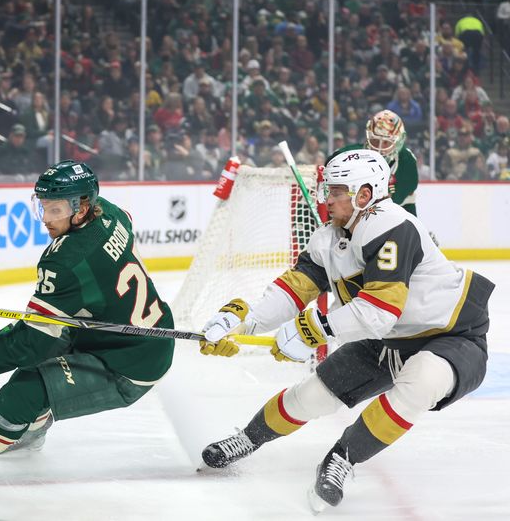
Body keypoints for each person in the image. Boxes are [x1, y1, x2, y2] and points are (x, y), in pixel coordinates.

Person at [197, 149, 494, 513]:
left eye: (336, 191)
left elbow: (380, 310)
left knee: (423, 380)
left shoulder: (392, 225)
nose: (327, 198)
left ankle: (342, 458)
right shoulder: (328, 237)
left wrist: (311, 330)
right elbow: (295, 288)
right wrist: (246, 322)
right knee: (311, 396)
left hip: (453, 334)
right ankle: (247, 438)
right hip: (388, 338)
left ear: (364, 195)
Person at [0, 159, 176, 483]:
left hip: (131, 363)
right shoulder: (108, 211)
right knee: (39, 357)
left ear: (82, 207)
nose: (45, 219)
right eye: (43, 207)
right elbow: (125, 223)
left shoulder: (66, 260)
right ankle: (33, 427)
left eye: (55, 210)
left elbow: (32, 341)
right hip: (127, 332)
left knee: (24, 390)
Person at [327, 110, 419, 216]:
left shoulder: (407, 161)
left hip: (396, 217)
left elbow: (395, 200)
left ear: (398, 141)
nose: (379, 149)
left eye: (385, 142)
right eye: (375, 141)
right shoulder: (350, 154)